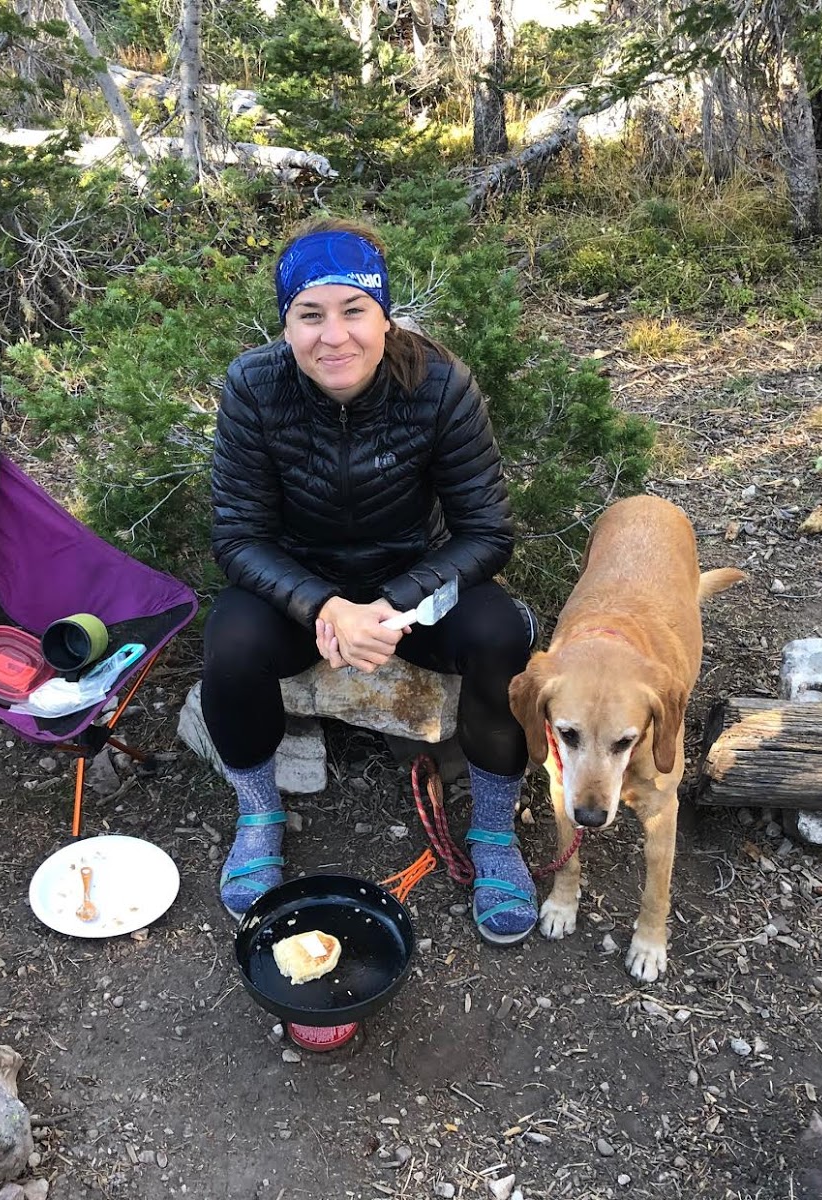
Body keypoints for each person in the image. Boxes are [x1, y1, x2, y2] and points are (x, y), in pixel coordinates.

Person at [201, 216, 541, 945]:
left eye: (354, 311)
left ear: (384, 317)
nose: (335, 336)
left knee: (499, 633)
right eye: (310, 315)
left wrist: (394, 602)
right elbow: (238, 536)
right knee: (229, 641)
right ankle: (259, 815)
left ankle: (491, 833)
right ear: (286, 324)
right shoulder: (253, 387)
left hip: (408, 585)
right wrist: (324, 604)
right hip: (300, 587)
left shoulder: (440, 385)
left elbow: (486, 531)